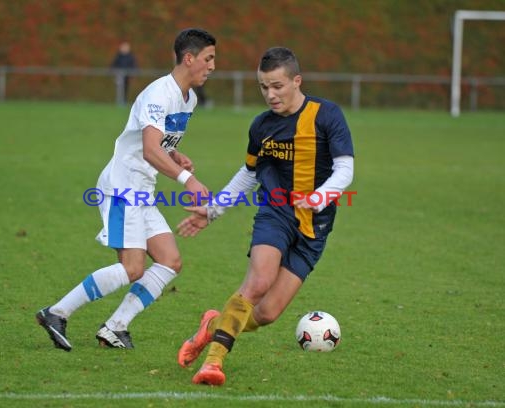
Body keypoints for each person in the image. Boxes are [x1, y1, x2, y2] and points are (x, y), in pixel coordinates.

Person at [176, 47, 354, 385]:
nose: (269, 95)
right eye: (263, 87)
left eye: (277, 86)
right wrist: (213, 210)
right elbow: (249, 174)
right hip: (275, 212)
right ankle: (213, 363)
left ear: (296, 81)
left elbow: (345, 168)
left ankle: (212, 327)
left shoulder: (327, 115)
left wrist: (319, 197)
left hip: (315, 226)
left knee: (267, 313)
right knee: (256, 283)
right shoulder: (262, 126)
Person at [36, 28, 216, 352]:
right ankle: (56, 312)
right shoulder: (160, 93)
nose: (213, 66)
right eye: (209, 58)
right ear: (189, 58)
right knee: (133, 268)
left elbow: (158, 143)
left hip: (142, 189)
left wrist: (174, 155)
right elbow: (149, 149)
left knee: (169, 261)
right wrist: (187, 181)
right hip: (123, 186)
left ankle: (115, 327)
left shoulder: (188, 99)